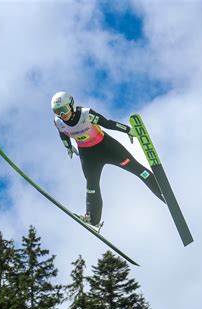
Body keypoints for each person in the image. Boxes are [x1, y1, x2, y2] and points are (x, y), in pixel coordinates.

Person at [51, 91, 165, 231]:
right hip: (88, 156)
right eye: (57, 112)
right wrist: (68, 146)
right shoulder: (58, 122)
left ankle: (162, 192)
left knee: (137, 169)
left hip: (108, 148)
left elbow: (108, 123)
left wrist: (128, 130)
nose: (62, 115)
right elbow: (62, 133)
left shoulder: (86, 114)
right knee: (91, 186)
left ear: (71, 105)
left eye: (64, 110)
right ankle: (93, 220)